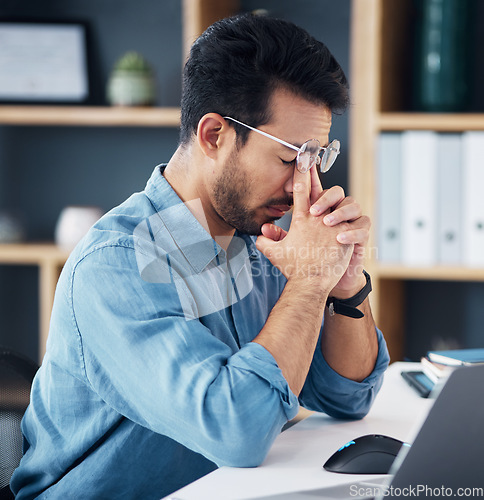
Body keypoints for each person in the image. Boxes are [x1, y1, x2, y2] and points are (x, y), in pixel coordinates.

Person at [11, 13, 389, 500]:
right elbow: (236, 430)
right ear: (214, 135)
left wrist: (343, 285)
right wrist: (309, 283)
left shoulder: (260, 242)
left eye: (317, 158)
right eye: (291, 157)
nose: (305, 183)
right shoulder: (116, 264)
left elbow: (347, 395)